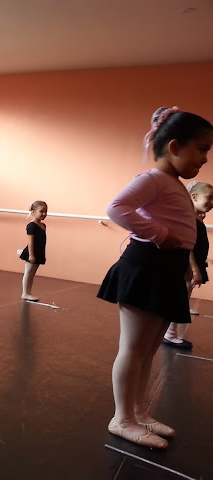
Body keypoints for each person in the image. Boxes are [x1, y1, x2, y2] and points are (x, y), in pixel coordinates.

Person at [97, 106, 213, 449]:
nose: (205, 158)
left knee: (148, 350)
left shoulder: (173, 184)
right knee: (133, 349)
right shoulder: (153, 179)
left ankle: (137, 412)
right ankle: (121, 419)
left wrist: (183, 261)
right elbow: (116, 208)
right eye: (202, 149)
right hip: (145, 267)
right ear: (174, 146)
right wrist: (160, 234)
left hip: (166, 271)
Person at [163, 181, 213, 349]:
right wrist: (194, 268)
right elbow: (187, 245)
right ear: (194, 197)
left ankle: (170, 332)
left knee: (182, 297)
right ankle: (169, 334)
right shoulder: (188, 218)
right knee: (180, 299)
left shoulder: (195, 218)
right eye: (209, 197)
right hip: (187, 267)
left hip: (191, 266)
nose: (212, 202)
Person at [19, 201, 48, 301]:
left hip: (39, 252)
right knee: (28, 273)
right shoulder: (31, 226)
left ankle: (28, 292)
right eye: (41, 211)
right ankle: (25, 293)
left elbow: (42, 241)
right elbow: (30, 242)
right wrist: (31, 255)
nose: (44, 214)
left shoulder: (43, 225)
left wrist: (42, 253)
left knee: (32, 274)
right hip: (32, 252)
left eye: (46, 211)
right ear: (33, 212)